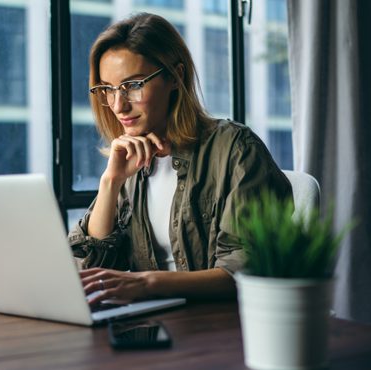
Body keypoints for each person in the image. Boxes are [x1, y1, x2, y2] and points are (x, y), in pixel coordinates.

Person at [68, 13, 292, 305]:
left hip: (219, 328)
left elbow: (244, 271)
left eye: (133, 86)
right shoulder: (130, 160)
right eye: (107, 89)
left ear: (175, 77)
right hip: (150, 325)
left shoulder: (235, 149)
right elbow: (88, 270)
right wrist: (111, 182)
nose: (118, 105)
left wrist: (147, 283)